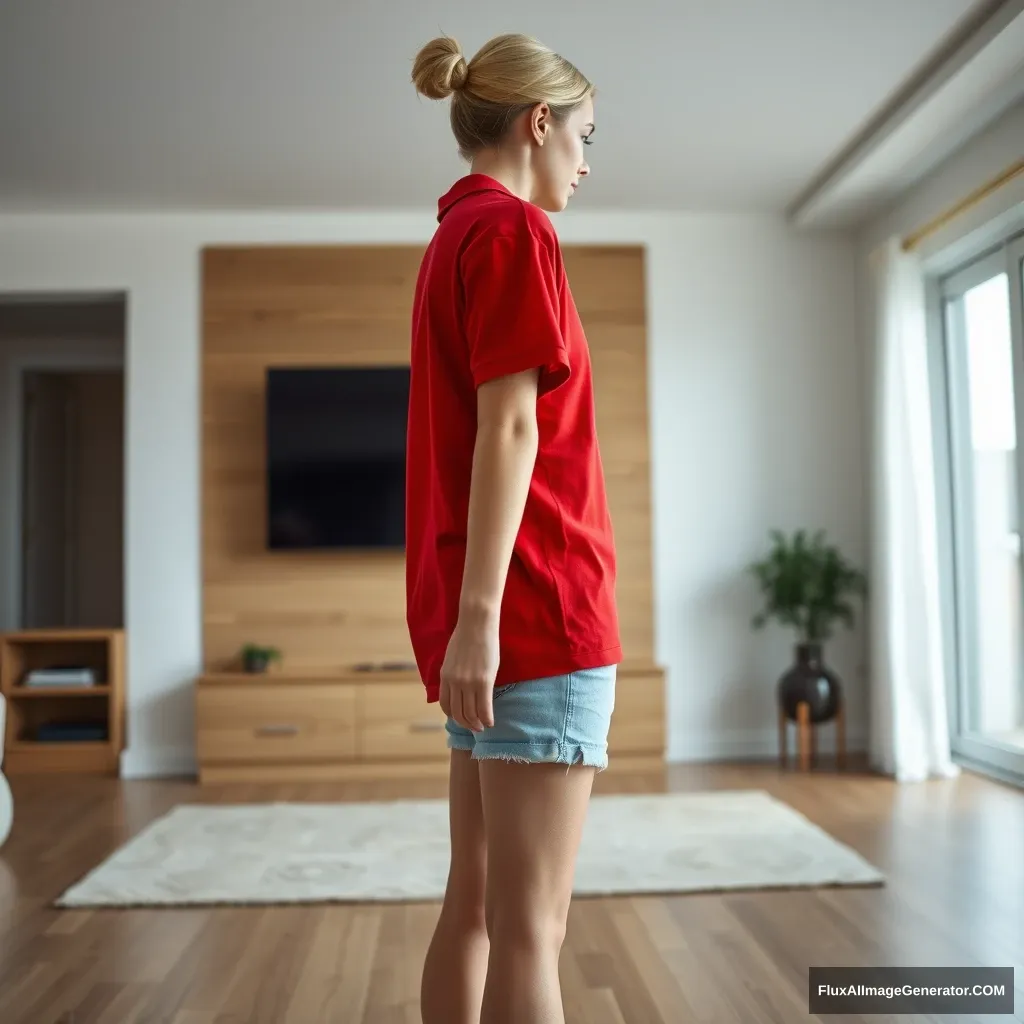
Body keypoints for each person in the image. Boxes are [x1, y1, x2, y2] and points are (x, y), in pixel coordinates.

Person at [405, 31, 621, 1024]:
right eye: (582, 135)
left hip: (497, 617)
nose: (585, 160)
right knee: (532, 926)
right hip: (537, 608)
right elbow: (513, 424)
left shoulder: (455, 233)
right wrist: (487, 617)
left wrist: (472, 619)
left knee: (478, 908)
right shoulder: (512, 232)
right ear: (538, 124)